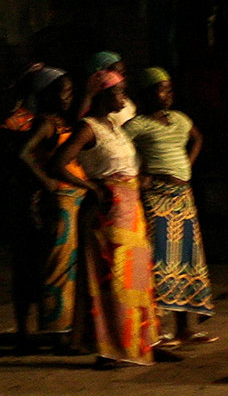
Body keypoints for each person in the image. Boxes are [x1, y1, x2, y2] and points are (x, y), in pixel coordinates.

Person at [72, 78, 166, 368]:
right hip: (110, 209)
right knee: (113, 278)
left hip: (130, 205)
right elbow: (57, 163)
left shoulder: (115, 125)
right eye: (119, 91)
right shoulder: (89, 128)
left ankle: (139, 342)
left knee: (136, 276)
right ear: (102, 94)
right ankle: (110, 348)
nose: (124, 96)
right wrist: (93, 188)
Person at [125, 67, 214, 346]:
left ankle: (184, 328)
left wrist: (188, 163)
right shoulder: (136, 125)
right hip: (158, 197)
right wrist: (140, 174)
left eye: (169, 89)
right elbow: (121, 153)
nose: (167, 94)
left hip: (183, 196)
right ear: (146, 95)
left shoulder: (179, 119)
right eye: (161, 89)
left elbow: (197, 138)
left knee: (185, 258)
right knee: (159, 260)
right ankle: (157, 328)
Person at [5, 67, 82, 353]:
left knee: (53, 267)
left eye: (70, 92)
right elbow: (19, 154)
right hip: (37, 203)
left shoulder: (60, 121)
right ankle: (43, 331)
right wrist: (46, 181)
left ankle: (54, 329)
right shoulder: (34, 120)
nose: (67, 97)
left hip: (54, 201)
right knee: (41, 267)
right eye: (63, 91)